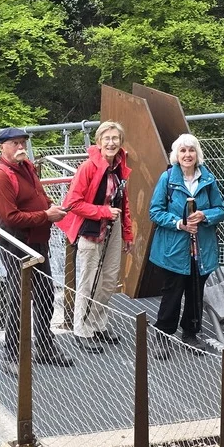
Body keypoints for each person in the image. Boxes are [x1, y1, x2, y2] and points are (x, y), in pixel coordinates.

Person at [0, 127, 73, 375]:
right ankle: (11, 355)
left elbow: (39, 195)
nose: (20, 147)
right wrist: (45, 215)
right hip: (16, 243)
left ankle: (45, 347)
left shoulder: (27, 167)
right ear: (2, 147)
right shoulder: (0, 176)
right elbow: (10, 217)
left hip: (38, 240)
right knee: (18, 298)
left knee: (46, 295)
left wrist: (50, 207)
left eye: (23, 142)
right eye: (14, 143)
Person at [56, 121, 134, 354]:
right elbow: (73, 203)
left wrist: (127, 233)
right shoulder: (88, 167)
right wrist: (103, 212)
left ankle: (98, 324)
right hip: (91, 227)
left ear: (120, 142)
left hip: (113, 225)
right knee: (89, 279)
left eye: (115, 138)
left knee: (109, 279)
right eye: (106, 139)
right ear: (98, 143)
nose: (111, 143)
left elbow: (124, 202)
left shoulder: (119, 166)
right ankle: (82, 330)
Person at [148, 133, 224, 357]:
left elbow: (221, 209)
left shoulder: (208, 179)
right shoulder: (167, 179)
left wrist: (205, 215)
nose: (187, 155)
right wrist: (179, 224)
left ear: (197, 154)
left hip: (201, 248)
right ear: (176, 155)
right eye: (182, 151)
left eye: (191, 150)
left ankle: (191, 332)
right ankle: (163, 335)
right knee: (172, 292)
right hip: (174, 248)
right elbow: (155, 212)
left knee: (195, 291)